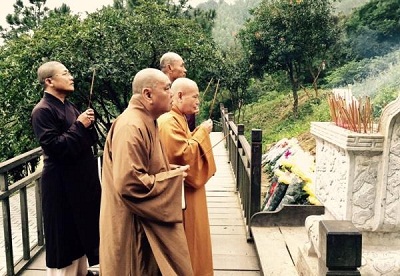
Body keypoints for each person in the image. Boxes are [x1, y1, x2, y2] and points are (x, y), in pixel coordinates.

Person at [99, 68, 194, 275]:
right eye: (167, 88)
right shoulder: (131, 126)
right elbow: (129, 184)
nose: (171, 93)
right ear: (148, 95)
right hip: (133, 224)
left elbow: (147, 167)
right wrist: (171, 180)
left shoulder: (146, 120)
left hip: (144, 220)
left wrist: (170, 171)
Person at [31, 61, 101, 276]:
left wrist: (88, 123)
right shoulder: (42, 110)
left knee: (80, 232)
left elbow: (87, 140)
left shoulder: (68, 106)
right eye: (65, 73)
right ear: (49, 81)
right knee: (64, 236)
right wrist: (80, 125)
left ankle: (83, 272)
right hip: (61, 185)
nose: (71, 77)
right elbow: (55, 148)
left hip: (80, 183)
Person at [158, 77, 216, 276]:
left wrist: (196, 133)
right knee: (190, 240)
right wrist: (202, 132)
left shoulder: (178, 118)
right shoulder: (167, 121)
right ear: (180, 96)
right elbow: (183, 157)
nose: (198, 101)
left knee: (197, 238)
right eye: (195, 96)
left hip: (190, 193)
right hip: (182, 194)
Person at [159, 51, 197, 131]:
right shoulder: (160, 93)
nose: (185, 70)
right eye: (182, 66)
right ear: (170, 68)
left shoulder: (178, 87)